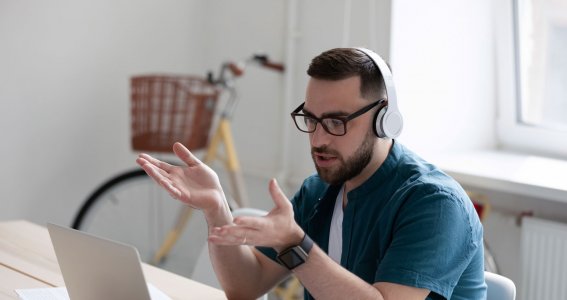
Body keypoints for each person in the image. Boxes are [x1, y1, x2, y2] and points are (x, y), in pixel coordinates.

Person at [136, 47, 486, 300]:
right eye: (311, 120)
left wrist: (295, 245)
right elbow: (247, 286)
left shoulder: (434, 204)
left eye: (336, 122)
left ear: (385, 119)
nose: (318, 140)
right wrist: (216, 210)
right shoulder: (320, 190)